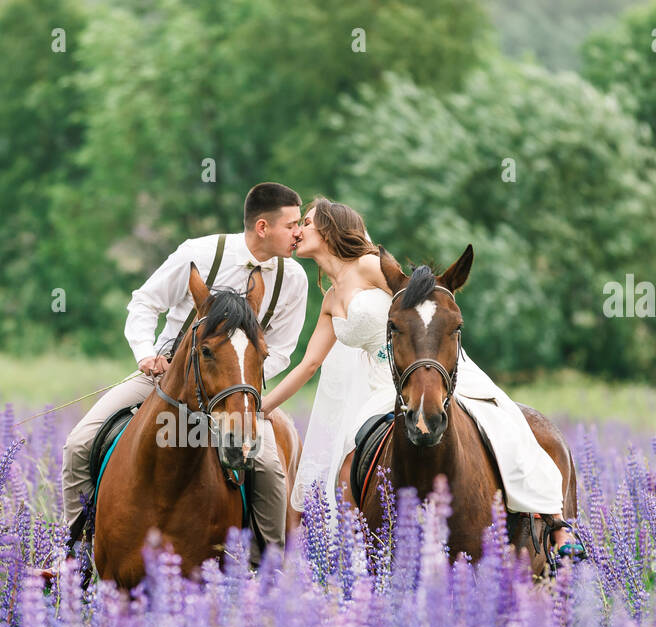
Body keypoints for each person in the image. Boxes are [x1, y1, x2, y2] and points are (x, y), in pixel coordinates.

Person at [261, 196, 582, 558]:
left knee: (503, 418)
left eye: (306, 221)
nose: (298, 229)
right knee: (348, 458)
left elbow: (421, 301)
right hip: (380, 388)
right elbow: (308, 365)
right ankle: (362, 551)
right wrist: (262, 406)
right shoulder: (331, 299)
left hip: (422, 367)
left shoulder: (369, 266)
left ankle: (555, 523)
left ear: (331, 227)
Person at [61, 182, 309, 562]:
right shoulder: (199, 253)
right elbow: (144, 303)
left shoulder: (294, 280)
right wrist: (145, 355)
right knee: (80, 443)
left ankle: (267, 567)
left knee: (270, 467)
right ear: (263, 227)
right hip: (162, 378)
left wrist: (239, 384)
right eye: (292, 225)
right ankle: (72, 554)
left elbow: (282, 350)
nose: (300, 233)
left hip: (235, 393)